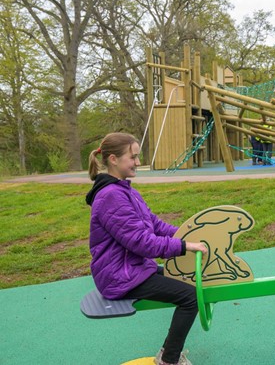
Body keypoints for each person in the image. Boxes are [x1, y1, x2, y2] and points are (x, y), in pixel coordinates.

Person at [86, 132, 208, 365]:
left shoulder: (126, 190)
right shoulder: (111, 196)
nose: (138, 162)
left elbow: (155, 224)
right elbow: (142, 242)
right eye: (132, 157)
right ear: (113, 159)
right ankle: (169, 360)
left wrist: (187, 233)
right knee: (189, 297)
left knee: (187, 279)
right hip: (119, 276)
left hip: (133, 268)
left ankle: (168, 354)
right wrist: (185, 246)